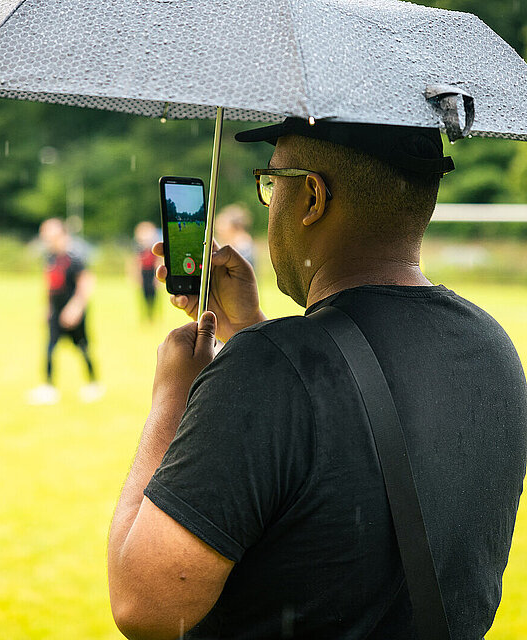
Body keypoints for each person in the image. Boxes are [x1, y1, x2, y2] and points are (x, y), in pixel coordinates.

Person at [107, 118, 527, 639]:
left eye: (271, 181)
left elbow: (144, 604)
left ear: (311, 197)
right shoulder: (493, 347)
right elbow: (352, 443)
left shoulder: (268, 372)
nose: (268, 202)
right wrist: (250, 331)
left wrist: (173, 397)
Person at [27, 218, 104, 405]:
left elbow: (86, 282)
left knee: (82, 347)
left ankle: (93, 384)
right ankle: (48, 387)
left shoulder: (74, 257)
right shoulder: (50, 257)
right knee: (50, 348)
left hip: (73, 312)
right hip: (56, 311)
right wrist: (47, 307)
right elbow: (49, 284)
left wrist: (75, 308)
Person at [132, 221, 160, 322]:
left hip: (152, 273)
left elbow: (157, 262)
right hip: (144, 273)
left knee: (153, 296)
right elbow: (137, 263)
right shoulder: (140, 249)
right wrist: (137, 276)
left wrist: (157, 278)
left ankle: (152, 315)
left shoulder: (154, 249)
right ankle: (145, 316)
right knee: (144, 295)